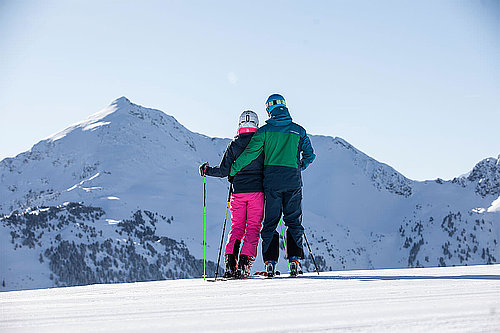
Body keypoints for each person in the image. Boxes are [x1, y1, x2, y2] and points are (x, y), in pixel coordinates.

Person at [229, 94, 315, 277]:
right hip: (293, 181)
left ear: (269, 109)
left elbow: (250, 154)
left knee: (270, 223)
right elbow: (310, 155)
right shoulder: (298, 131)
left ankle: (270, 263)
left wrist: (234, 169)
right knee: (293, 222)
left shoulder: (264, 132)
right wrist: (300, 166)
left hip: (272, 183)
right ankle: (294, 261)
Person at [199, 110, 264, 278]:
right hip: (257, 192)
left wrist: (207, 170)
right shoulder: (261, 143)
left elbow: (223, 171)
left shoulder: (233, 145)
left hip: (238, 193)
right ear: (256, 124)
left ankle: (230, 262)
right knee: (253, 227)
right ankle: (245, 262)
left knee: (237, 227)